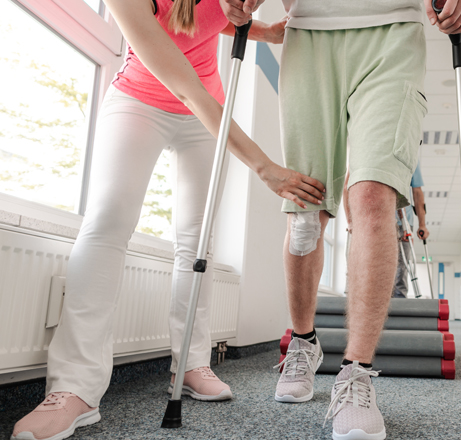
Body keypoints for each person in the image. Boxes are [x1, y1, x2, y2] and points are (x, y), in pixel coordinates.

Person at [11, 1, 325, 439]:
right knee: (106, 222)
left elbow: (200, 22)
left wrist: (259, 29)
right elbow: (185, 87)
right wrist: (264, 167)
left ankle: (193, 364)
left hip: (204, 108)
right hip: (143, 98)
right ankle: (74, 388)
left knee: (196, 242)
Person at [222, 1, 461, 438]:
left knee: (374, 196)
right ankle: (304, 342)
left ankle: (357, 373)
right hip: (308, 38)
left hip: (393, 32)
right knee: (304, 216)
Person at [393, 162, 430, 298]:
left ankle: (400, 304)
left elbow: (417, 193)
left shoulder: (412, 157)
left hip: (404, 222)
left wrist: (422, 224)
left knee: (401, 269)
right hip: (381, 219)